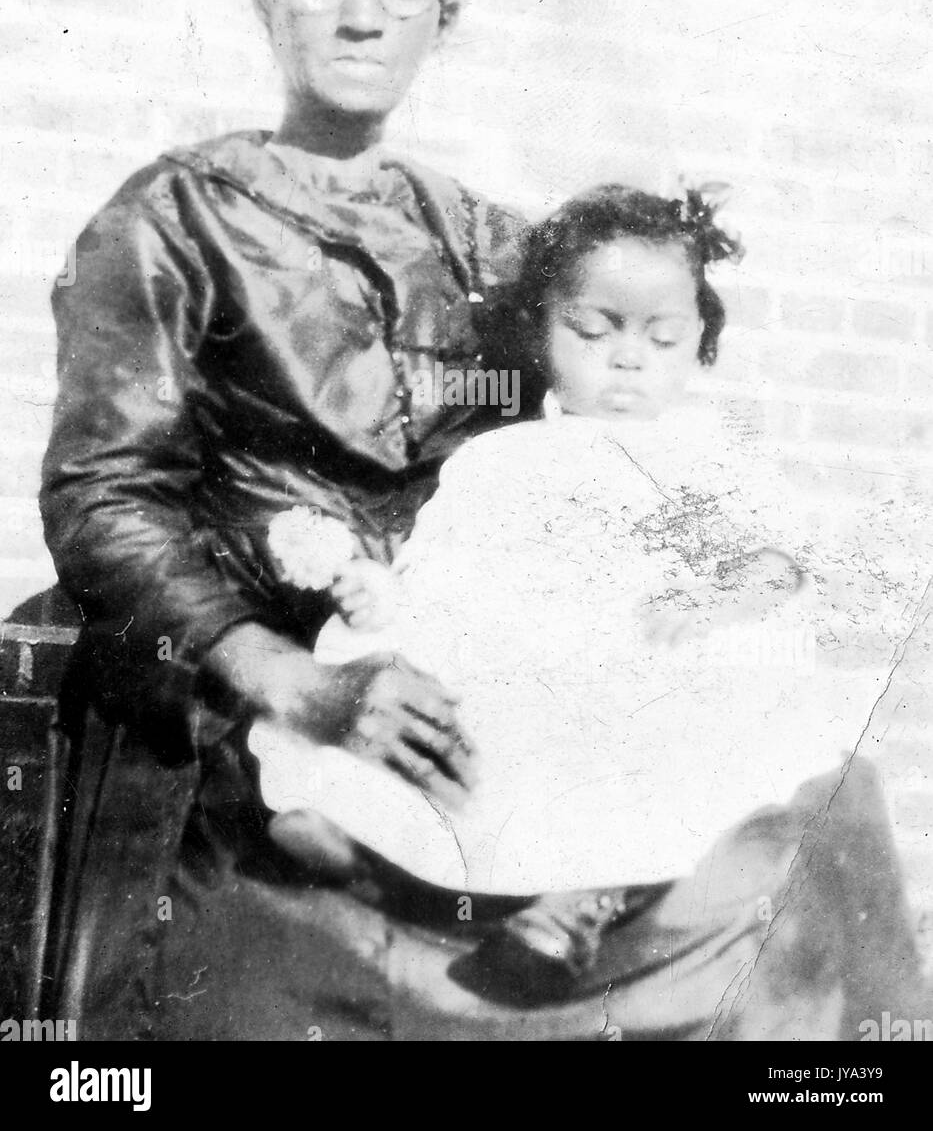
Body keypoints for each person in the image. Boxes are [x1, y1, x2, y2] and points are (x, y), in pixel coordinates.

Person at [38, 0, 528, 1039]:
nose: (363, 15)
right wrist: (291, 681)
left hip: (434, 708)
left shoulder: (499, 252)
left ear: (440, 22)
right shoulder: (172, 218)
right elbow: (104, 495)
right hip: (222, 718)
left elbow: (567, 475)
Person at [249, 186, 922, 1018]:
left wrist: (720, 599)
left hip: (653, 656)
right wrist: (380, 598)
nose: (627, 359)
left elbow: (778, 562)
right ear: (540, 334)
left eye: (662, 337)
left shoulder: (708, 454)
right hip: (528, 658)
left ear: (699, 342)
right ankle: (361, 832)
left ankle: (577, 903)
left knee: (673, 725)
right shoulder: (500, 460)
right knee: (437, 695)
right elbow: (449, 573)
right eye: (593, 332)